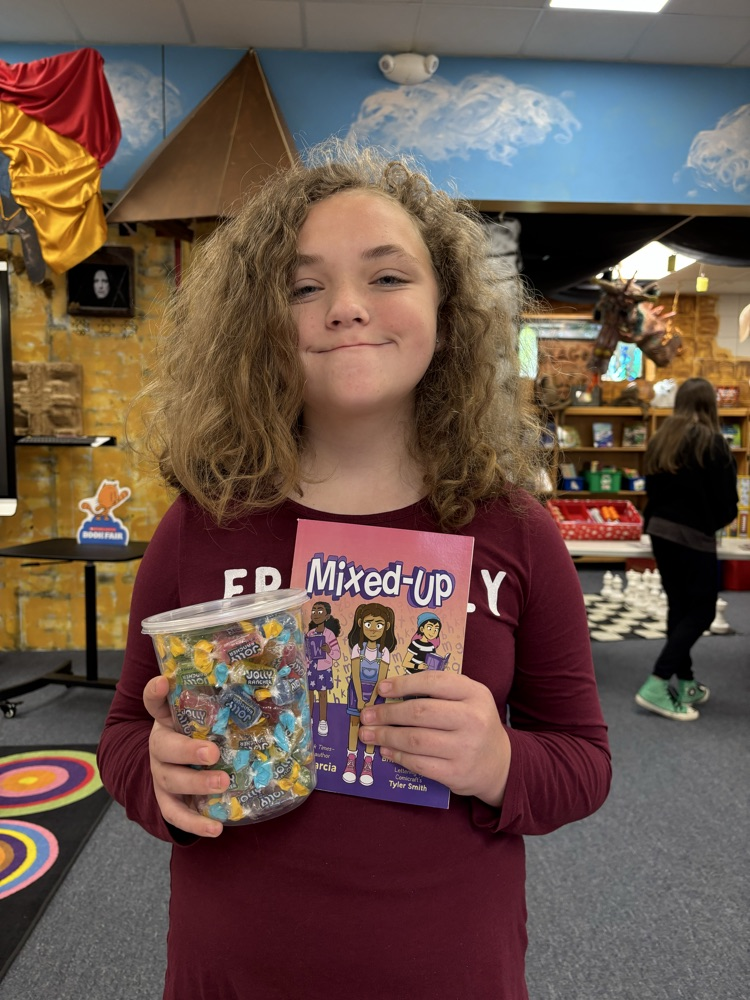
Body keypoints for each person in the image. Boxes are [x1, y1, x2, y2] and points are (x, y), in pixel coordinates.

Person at [97, 141, 611, 1000]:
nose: (344, 308)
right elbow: (122, 731)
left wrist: (499, 764)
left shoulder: (517, 532)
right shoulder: (204, 524)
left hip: (449, 969)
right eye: (304, 286)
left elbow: (583, 761)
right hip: (233, 968)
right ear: (261, 322)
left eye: (387, 276)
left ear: (445, 305)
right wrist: (156, 778)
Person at [635, 377, 738, 721]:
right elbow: (727, 503)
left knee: (679, 608)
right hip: (694, 538)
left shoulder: (662, 438)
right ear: (710, 404)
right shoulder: (713, 442)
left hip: (660, 533)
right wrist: (713, 523)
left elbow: (651, 488)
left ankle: (688, 681)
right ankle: (657, 681)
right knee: (703, 611)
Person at [304, 599, 341, 736]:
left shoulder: (329, 634)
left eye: (320, 611)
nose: (316, 613)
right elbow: (306, 651)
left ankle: (323, 721)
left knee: (323, 694)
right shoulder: (310, 634)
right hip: (310, 668)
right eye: (314, 610)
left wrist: (328, 650)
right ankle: (309, 717)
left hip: (323, 669)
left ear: (326, 616)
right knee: (310, 694)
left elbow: (337, 654)